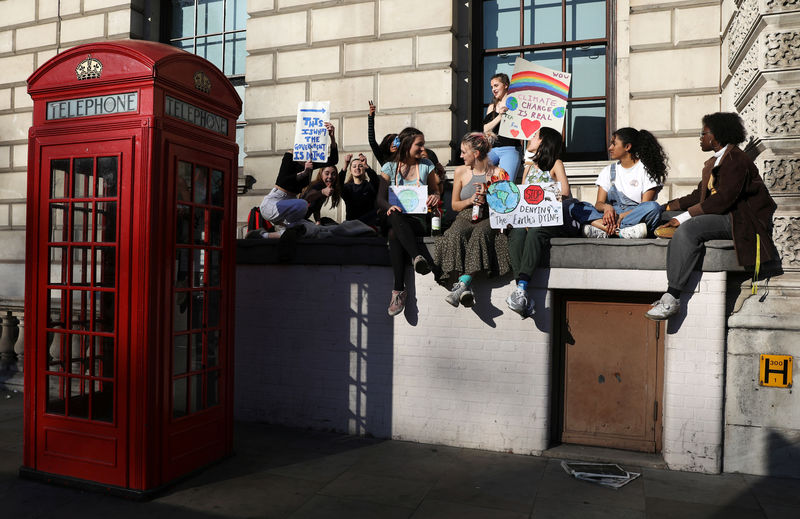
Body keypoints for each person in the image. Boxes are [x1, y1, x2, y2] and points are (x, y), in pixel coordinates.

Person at [645, 112, 779, 321]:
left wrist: (682, 218)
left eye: (703, 133)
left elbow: (724, 199)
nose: (700, 137)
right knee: (669, 217)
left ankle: (672, 297)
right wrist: (669, 207)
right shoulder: (716, 161)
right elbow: (699, 195)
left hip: (740, 220)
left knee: (689, 228)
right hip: (721, 213)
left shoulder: (736, 160)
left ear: (716, 135)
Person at [433, 132, 511, 307]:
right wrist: (470, 200)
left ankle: (462, 285)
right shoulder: (461, 171)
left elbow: (508, 205)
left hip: (489, 215)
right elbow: (454, 205)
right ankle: (464, 287)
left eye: (463, 152)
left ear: (475, 153)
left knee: (479, 234)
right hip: (466, 214)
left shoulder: (499, 173)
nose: (460, 156)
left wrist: (488, 195)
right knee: (454, 234)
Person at [506, 127, 575, 317]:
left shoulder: (556, 164)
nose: (530, 138)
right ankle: (521, 290)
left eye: (535, 136)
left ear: (543, 142)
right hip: (528, 218)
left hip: (548, 219)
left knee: (535, 232)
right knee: (517, 233)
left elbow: (566, 192)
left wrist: (543, 195)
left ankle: (522, 287)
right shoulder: (528, 166)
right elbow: (522, 194)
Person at [378, 127, 441, 316]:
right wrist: (388, 206)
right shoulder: (389, 167)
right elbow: (379, 199)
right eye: (419, 145)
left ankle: (398, 291)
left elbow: (436, 190)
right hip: (393, 215)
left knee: (393, 234)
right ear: (406, 145)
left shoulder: (426, 165)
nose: (423, 149)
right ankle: (417, 257)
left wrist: (435, 196)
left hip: (416, 220)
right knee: (395, 217)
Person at [570, 127, 667, 239]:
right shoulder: (608, 171)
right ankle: (619, 232)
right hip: (610, 216)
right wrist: (607, 208)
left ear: (627, 147)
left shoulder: (646, 170)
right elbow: (598, 204)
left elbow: (645, 205)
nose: (610, 148)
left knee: (653, 207)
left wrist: (621, 216)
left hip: (633, 216)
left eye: (614, 144)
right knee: (574, 205)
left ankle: (602, 229)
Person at [258, 122, 338, 237]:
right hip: (273, 204)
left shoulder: (311, 162)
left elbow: (333, 160)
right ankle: (281, 228)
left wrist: (332, 137)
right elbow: (283, 181)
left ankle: (263, 236)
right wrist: (304, 173)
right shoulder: (290, 156)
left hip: (291, 208)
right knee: (302, 204)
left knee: (309, 229)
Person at [483, 73, 522, 180]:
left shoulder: (515, 104)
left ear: (505, 85)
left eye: (496, 86)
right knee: (478, 173)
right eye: (492, 87)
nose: (493, 89)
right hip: (492, 150)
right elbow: (485, 128)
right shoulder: (492, 106)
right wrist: (500, 116)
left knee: (507, 182)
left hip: (510, 148)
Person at [341, 153, 380, 226]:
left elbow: (376, 181)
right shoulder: (347, 188)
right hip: (352, 224)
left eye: (360, 166)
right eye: (354, 166)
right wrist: (345, 166)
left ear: (364, 169)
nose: (357, 168)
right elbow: (338, 185)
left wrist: (366, 166)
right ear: (350, 170)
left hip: (368, 223)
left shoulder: (369, 186)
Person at [368, 101, 398, 167]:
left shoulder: (405, 158)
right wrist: (371, 117)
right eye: (391, 142)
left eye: (396, 141)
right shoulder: (383, 158)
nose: (394, 144)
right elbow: (372, 141)